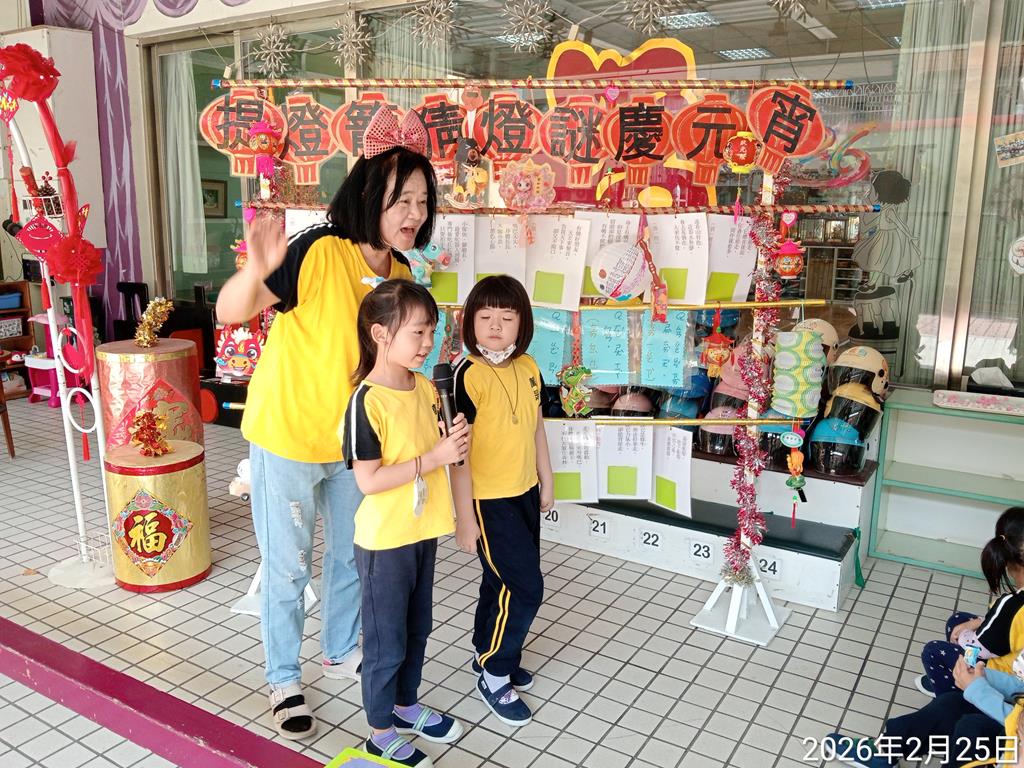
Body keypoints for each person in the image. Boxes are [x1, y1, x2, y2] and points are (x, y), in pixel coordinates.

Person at [214, 118, 436, 739]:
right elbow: (229, 312)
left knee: (350, 559)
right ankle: (284, 677)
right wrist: (257, 270)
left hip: (355, 449)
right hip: (287, 435)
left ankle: (339, 650)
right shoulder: (316, 249)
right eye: (402, 199)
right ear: (369, 194)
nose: (414, 213)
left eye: (423, 201)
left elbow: (398, 365)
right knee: (288, 566)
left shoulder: (403, 275)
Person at [343, 280, 469, 767]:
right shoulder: (366, 401)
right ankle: (379, 731)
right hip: (384, 542)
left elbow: (435, 447)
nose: (427, 343)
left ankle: (405, 705)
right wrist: (434, 457)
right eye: (417, 332)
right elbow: (369, 480)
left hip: (422, 531)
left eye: (431, 331)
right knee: (385, 641)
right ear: (380, 334)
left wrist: (451, 439)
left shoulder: (426, 388)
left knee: (418, 628)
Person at [450, 275, 554, 727]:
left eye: (507, 318)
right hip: (488, 501)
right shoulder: (466, 374)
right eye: (485, 317)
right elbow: (458, 454)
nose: (495, 326)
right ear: (470, 322)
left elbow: (536, 427)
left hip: (524, 491)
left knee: (500, 582)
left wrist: (546, 480)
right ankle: (495, 674)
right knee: (527, 587)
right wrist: (465, 517)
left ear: (522, 324)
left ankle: (485, 651)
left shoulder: (528, 366)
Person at [917, 508, 1024, 698]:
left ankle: (955, 699)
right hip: (1014, 660)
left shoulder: (1013, 604)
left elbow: (981, 647)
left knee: (934, 650)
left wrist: (963, 635)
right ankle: (955, 679)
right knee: (960, 620)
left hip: (1007, 679)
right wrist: (976, 623)